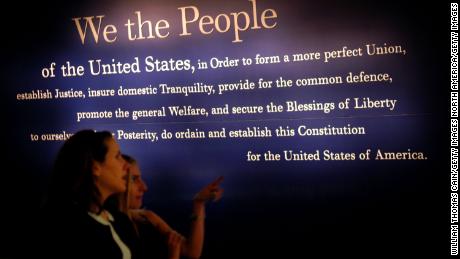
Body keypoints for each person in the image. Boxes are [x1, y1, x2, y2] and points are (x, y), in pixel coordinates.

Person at [39, 130, 182, 259]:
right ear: (95, 168)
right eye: (117, 156)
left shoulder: (120, 220)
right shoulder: (63, 226)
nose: (126, 166)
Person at [120, 154, 223, 259]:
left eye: (140, 178)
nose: (144, 187)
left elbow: (192, 251)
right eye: (133, 179)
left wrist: (198, 204)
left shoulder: (147, 218)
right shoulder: (108, 224)